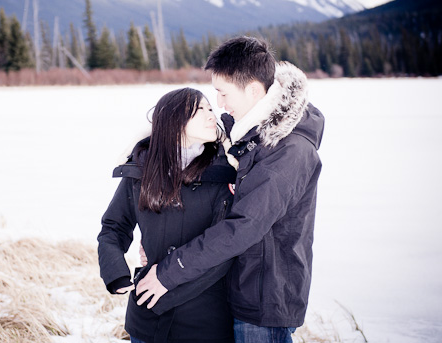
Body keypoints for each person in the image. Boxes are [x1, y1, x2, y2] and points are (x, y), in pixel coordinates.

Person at [135, 36, 325, 343]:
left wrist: (169, 272)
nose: (220, 104)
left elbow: (242, 227)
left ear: (252, 90)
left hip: (264, 300)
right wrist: (159, 237)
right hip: (238, 288)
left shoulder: (287, 150)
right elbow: (195, 151)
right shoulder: (251, 131)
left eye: (223, 94)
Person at [97, 88, 237, 343]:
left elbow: (223, 249)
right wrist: (115, 271)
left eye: (210, 109)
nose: (211, 116)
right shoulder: (140, 170)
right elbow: (114, 226)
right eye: (200, 109)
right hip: (146, 320)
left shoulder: (225, 172)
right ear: (173, 119)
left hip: (205, 321)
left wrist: (163, 287)